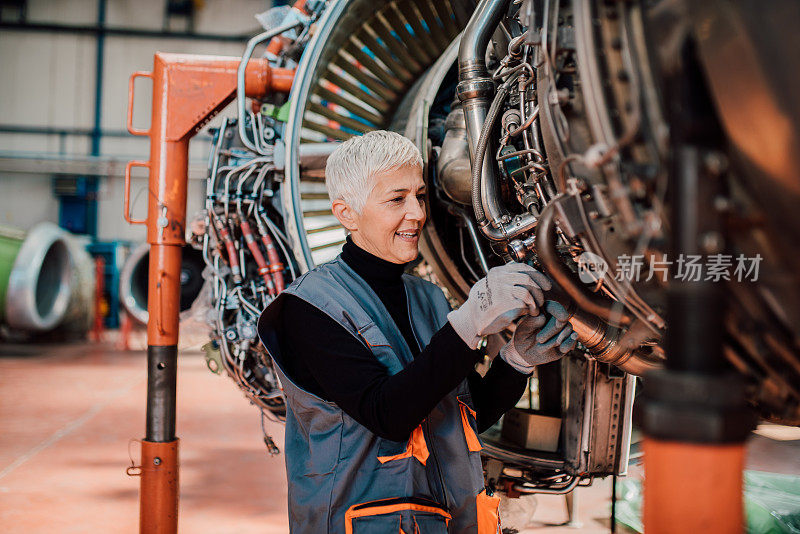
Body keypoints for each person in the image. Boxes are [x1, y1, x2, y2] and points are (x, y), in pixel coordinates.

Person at [257, 131, 577, 533]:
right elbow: (386, 413)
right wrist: (468, 323)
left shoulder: (428, 298)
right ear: (347, 213)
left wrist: (516, 361)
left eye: (420, 196)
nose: (417, 213)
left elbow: (458, 415)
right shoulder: (308, 307)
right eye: (397, 199)